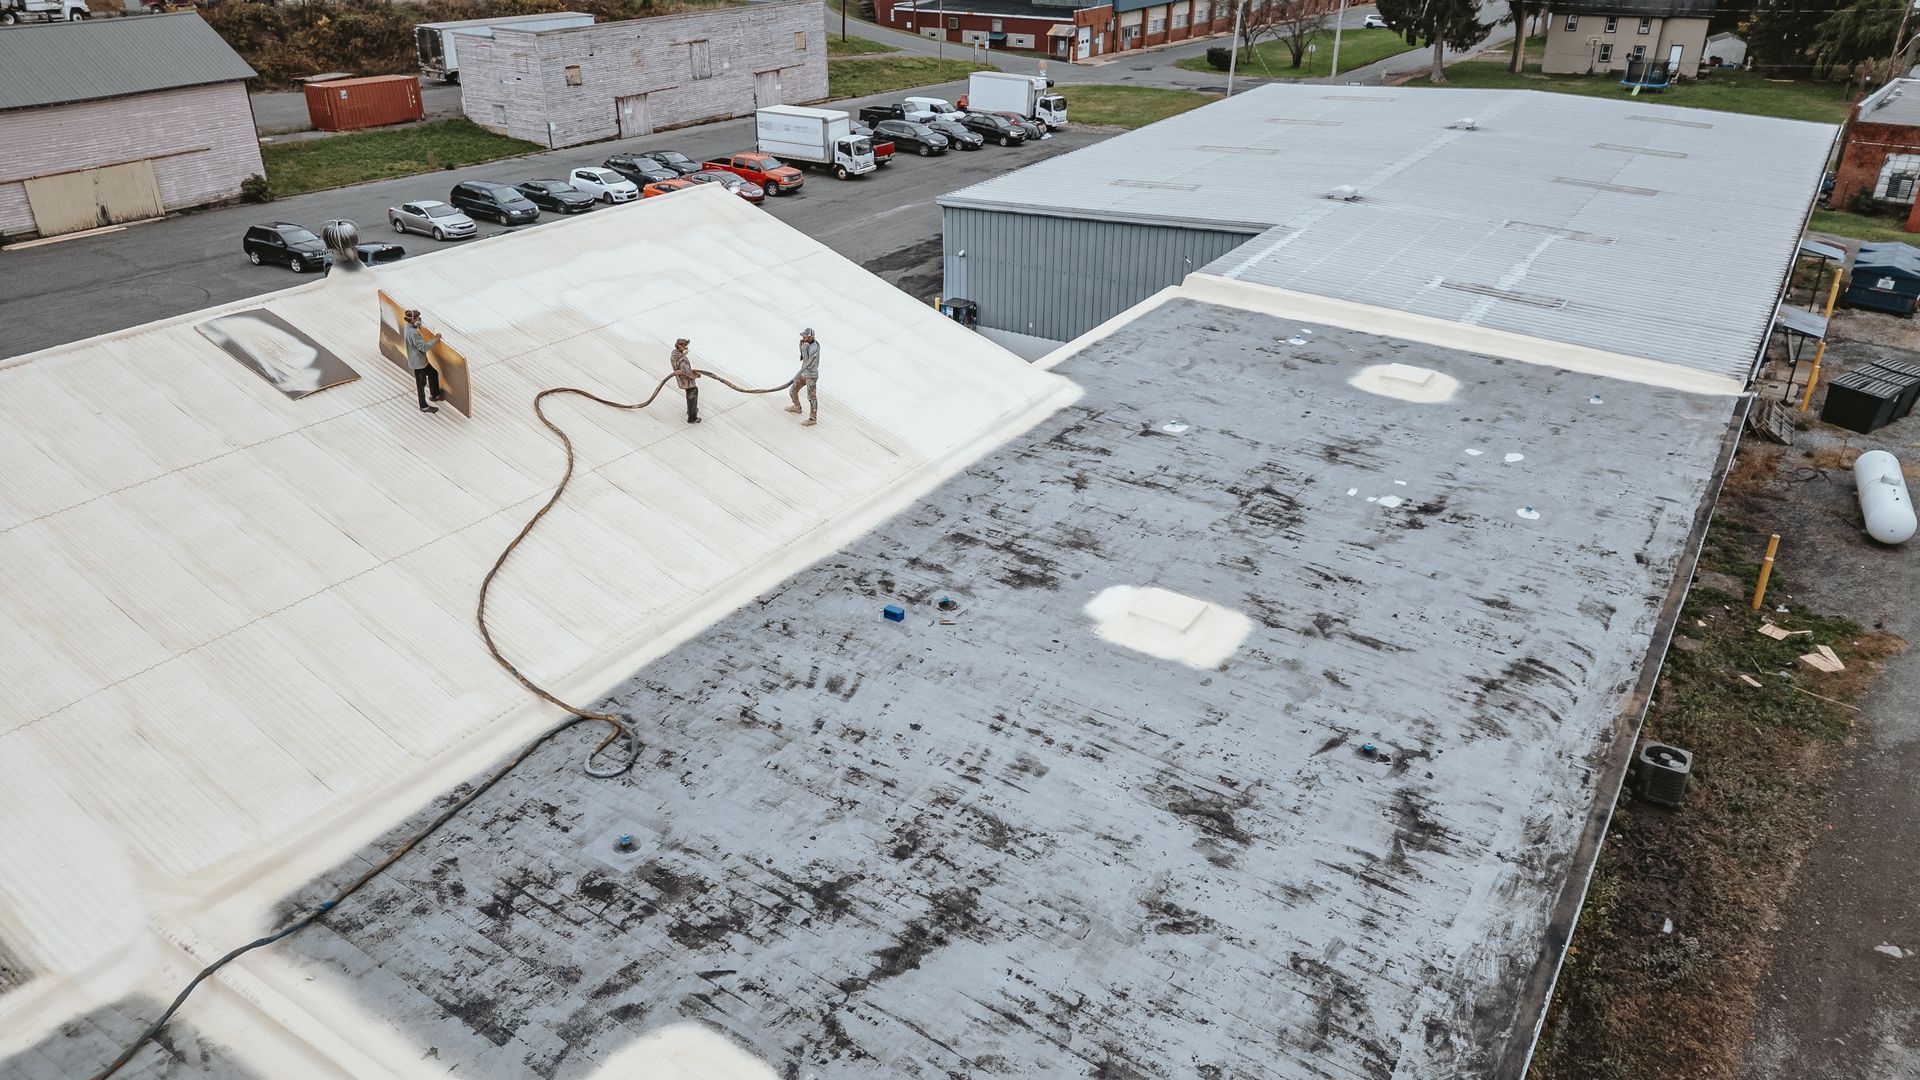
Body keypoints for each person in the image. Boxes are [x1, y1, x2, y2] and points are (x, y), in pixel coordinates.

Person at [402, 310, 446, 413]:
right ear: (412, 320)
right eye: (417, 318)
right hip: (418, 363)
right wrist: (436, 339)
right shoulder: (413, 333)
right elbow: (423, 347)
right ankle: (424, 406)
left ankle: (434, 395)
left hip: (421, 360)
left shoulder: (408, 327)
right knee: (421, 385)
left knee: (433, 373)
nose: (419, 320)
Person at [786, 327, 819, 427]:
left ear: (810, 337)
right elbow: (802, 357)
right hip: (803, 373)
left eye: (805, 336)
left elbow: (806, 361)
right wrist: (802, 346)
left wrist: (804, 348)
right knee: (793, 390)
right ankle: (797, 407)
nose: (803, 338)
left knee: (811, 397)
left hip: (811, 376)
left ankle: (813, 418)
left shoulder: (813, 348)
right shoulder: (806, 343)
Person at [670, 337, 700, 424]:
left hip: (681, 379)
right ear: (680, 346)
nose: (687, 348)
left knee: (689, 394)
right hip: (687, 380)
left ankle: (692, 409)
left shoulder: (674, 353)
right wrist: (696, 375)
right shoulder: (682, 360)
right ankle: (692, 417)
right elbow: (686, 372)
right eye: (685, 346)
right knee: (693, 393)